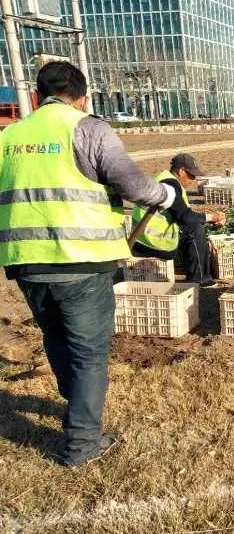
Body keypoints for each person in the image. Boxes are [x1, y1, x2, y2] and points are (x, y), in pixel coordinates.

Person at [0, 61, 175, 466]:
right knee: (89, 353)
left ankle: (77, 407)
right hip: (81, 259)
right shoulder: (87, 128)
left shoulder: (10, 136)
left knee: (57, 338)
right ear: (81, 98)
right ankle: (82, 444)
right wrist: (165, 196)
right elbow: (131, 183)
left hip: (27, 263)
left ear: (37, 95)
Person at [131, 153, 224, 285]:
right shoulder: (171, 186)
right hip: (153, 244)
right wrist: (212, 217)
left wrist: (207, 219)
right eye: (191, 175)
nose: (193, 179)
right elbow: (185, 217)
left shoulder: (162, 178)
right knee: (195, 229)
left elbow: (180, 213)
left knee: (192, 224)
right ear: (181, 171)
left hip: (139, 242)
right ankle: (201, 280)